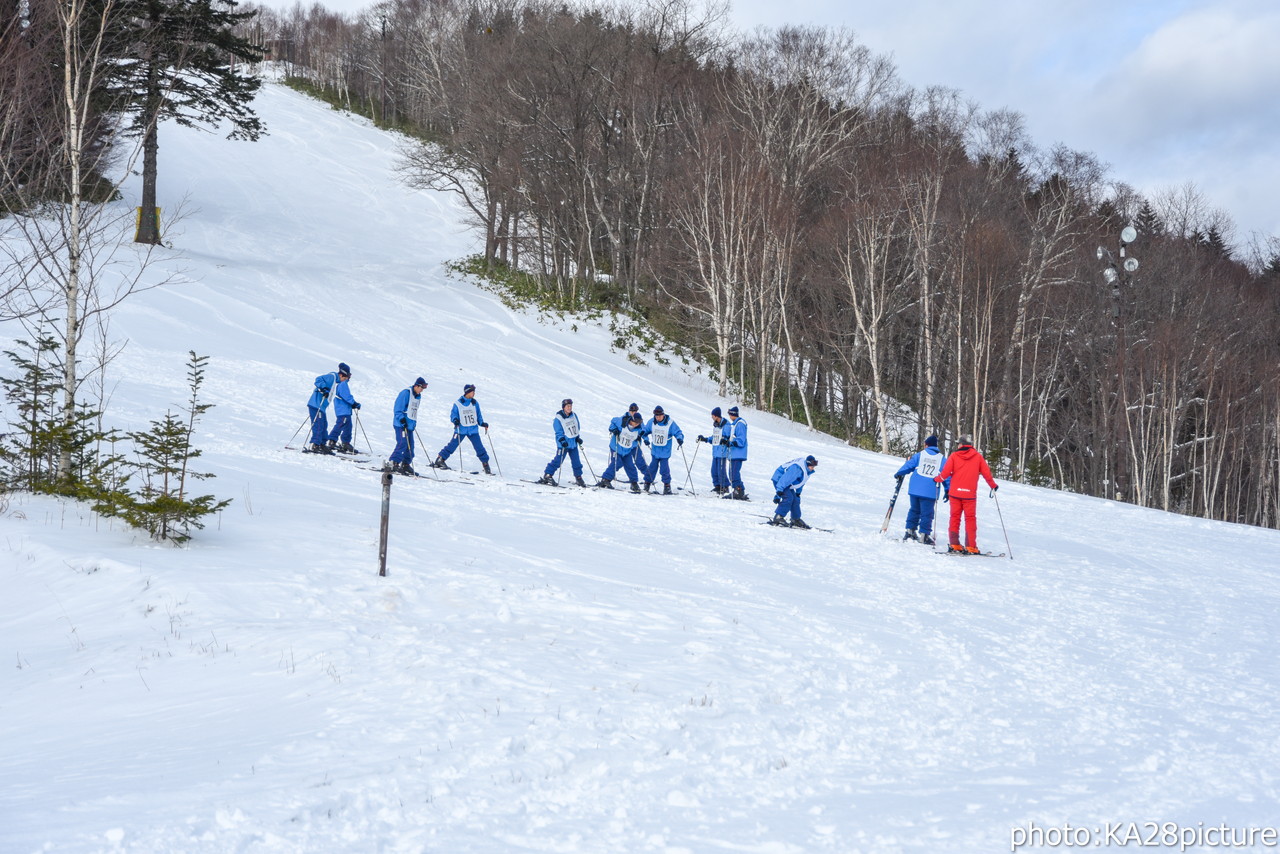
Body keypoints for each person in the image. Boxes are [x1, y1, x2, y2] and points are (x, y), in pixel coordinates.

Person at [934, 434, 998, 554]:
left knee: (954, 518)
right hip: (970, 495)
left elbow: (946, 473)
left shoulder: (954, 456)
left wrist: (937, 479)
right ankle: (971, 546)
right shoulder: (978, 457)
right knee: (970, 519)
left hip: (955, 494)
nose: (958, 445)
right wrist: (993, 485)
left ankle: (954, 544)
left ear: (962, 444)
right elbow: (986, 473)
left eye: (959, 443)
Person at [894, 434, 947, 545]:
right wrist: (948, 489)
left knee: (914, 510)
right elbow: (947, 475)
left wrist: (899, 473)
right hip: (930, 490)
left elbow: (909, 465)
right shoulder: (941, 459)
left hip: (915, 488)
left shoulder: (920, 455)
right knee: (927, 513)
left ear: (926, 445)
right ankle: (924, 535)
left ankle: (910, 531)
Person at [432, 383, 492, 475]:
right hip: (461, 429)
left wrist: (482, 423)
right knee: (452, 445)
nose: (474, 394)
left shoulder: (475, 403)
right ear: (467, 392)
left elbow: (478, 415)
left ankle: (486, 465)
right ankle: (440, 459)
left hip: (473, 430)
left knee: (479, 447)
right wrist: (455, 420)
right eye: (472, 392)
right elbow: (453, 414)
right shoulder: (458, 403)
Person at [537, 398, 586, 486]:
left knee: (576, 461)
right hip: (564, 444)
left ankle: (578, 477)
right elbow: (558, 432)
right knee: (558, 460)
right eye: (567, 406)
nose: (569, 408)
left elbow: (576, 427)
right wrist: (562, 441)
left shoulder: (574, 415)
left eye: (570, 406)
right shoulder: (558, 419)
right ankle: (548, 475)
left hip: (573, 443)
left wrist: (577, 437)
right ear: (563, 407)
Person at [596, 409, 644, 493]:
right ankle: (605, 479)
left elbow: (637, 437)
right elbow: (613, 421)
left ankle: (634, 483)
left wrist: (638, 438)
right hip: (616, 447)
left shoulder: (638, 429)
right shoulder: (622, 422)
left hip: (627, 450)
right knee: (616, 463)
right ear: (632, 419)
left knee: (630, 466)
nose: (636, 424)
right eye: (635, 422)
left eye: (638, 422)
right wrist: (613, 429)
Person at [387, 377, 427, 475]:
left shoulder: (418, 396)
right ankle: (393, 462)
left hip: (409, 425)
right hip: (400, 424)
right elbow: (397, 408)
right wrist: (401, 419)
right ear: (416, 386)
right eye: (421, 387)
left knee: (411, 446)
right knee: (402, 443)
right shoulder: (406, 393)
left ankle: (405, 464)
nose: (422, 390)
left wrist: (413, 423)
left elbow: (413, 411)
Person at [641, 405, 684, 494]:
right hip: (655, 451)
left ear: (663, 415)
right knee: (652, 468)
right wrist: (645, 440)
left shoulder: (670, 423)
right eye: (656, 416)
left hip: (665, 452)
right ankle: (647, 484)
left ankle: (667, 486)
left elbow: (678, 432)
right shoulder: (651, 422)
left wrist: (679, 438)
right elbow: (644, 431)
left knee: (664, 469)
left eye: (659, 416)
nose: (658, 418)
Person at [305, 362, 346, 454]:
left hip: (321, 407)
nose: (344, 381)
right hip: (316, 405)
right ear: (341, 375)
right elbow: (318, 379)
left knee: (324, 425)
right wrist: (324, 389)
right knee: (318, 425)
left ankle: (322, 444)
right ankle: (315, 444)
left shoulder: (334, 380)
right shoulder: (331, 377)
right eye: (345, 378)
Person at [768, 455, 818, 528]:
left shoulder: (807, 470)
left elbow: (801, 482)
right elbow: (784, 479)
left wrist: (798, 492)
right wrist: (779, 493)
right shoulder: (797, 469)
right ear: (807, 464)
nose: (813, 467)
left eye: (814, 466)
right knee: (788, 497)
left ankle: (795, 519)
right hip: (779, 480)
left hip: (788, 483)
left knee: (795, 499)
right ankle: (778, 517)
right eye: (812, 466)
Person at [324, 364, 361, 454]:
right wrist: (354, 403)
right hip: (342, 409)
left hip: (345, 409)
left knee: (348, 426)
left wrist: (352, 404)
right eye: (349, 375)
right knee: (340, 424)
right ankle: (332, 440)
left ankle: (345, 442)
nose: (349, 377)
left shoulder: (342, 384)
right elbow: (346, 396)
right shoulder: (342, 384)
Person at [696, 407, 732, 493]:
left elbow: (729, 437)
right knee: (714, 470)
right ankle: (717, 486)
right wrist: (705, 439)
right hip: (716, 452)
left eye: (712, 415)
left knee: (721, 471)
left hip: (722, 452)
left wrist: (725, 440)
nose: (712, 417)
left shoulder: (726, 425)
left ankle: (725, 486)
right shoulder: (716, 426)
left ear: (716, 416)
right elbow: (715, 437)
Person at [724, 405, 749, 500]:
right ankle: (739, 489)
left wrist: (732, 442)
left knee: (734, 473)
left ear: (733, 414)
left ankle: (738, 490)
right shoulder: (735, 424)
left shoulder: (740, 424)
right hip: (734, 453)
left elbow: (741, 440)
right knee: (732, 472)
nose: (729, 416)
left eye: (730, 414)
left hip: (738, 453)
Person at [625, 402, 649, 475]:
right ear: (629, 411)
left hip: (635, 445)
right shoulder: (625, 418)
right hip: (625, 444)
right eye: (632, 411)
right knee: (622, 461)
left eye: (635, 411)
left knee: (639, 461)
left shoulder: (638, 419)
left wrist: (646, 439)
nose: (633, 412)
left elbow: (643, 430)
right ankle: (610, 476)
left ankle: (648, 476)